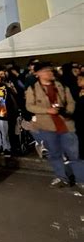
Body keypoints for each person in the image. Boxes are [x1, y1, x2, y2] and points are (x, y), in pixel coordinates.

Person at [25, 62, 84, 190]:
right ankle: (62, 177)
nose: (50, 73)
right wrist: (47, 110)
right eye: (46, 71)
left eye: (51, 70)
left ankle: (81, 180)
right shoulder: (33, 89)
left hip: (66, 125)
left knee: (75, 155)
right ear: (38, 73)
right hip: (47, 126)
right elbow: (29, 106)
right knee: (55, 154)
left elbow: (71, 102)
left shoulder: (61, 85)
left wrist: (67, 111)